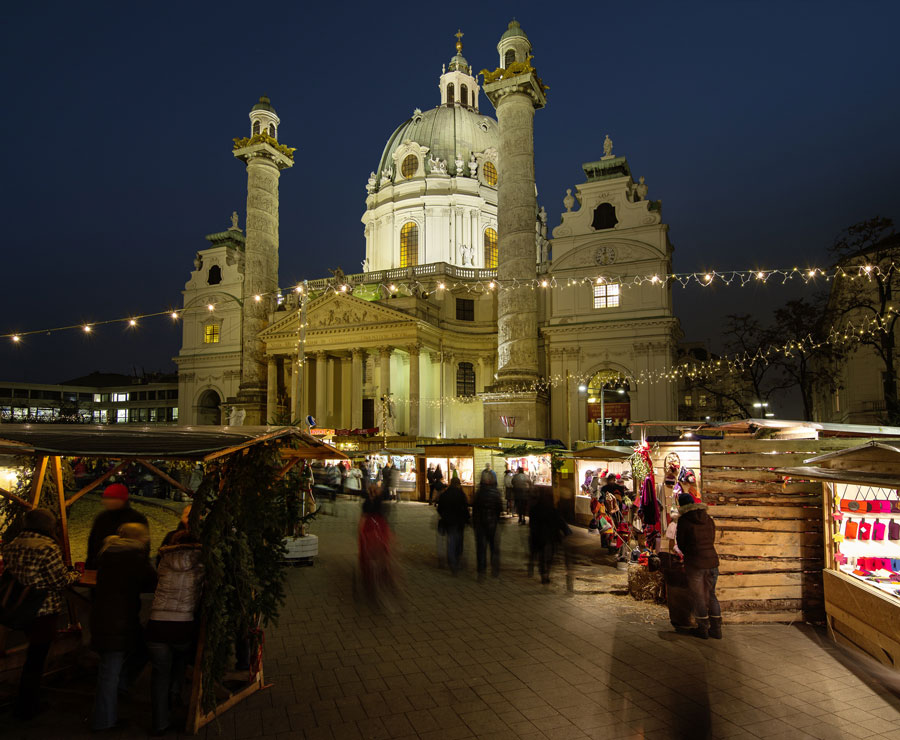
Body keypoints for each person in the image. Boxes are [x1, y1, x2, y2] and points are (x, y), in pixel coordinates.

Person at [2, 508, 80, 720]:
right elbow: (58, 581)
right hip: (42, 609)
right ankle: (27, 706)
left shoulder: (12, 545)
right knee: (36, 659)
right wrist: (75, 574)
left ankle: (24, 701)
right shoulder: (48, 547)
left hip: (19, 606)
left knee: (31, 656)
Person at [91, 522, 158, 731]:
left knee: (142, 649)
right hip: (119, 620)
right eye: (145, 537)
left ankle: (122, 684)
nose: (147, 540)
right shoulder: (135, 556)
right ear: (138, 538)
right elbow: (152, 582)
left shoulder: (107, 552)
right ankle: (103, 722)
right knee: (109, 669)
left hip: (105, 616)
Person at [146, 529, 203, 735]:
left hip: (157, 623)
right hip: (182, 623)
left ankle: (159, 723)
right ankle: (176, 692)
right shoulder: (200, 565)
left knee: (159, 673)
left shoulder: (163, 562)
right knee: (181, 657)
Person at [675, 492, 722, 640]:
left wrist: (689, 553)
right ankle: (716, 629)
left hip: (695, 563)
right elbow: (712, 538)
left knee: (699, 596)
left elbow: (681, 543)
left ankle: (703, 629)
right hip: (712, 561)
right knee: (711, 594)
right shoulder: (708, 518)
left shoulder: (684, 520)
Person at [85, 483, 149, 570]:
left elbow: (144, 547)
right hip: (103, 567)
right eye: (105, 498)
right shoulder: (101, 518)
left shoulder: (136, 518)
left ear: (121, 500)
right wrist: (90, 565)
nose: (105, 501)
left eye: (110, 498)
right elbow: (92, 544)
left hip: (128, 569)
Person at [528, 489, 571, 584]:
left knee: (542, 556)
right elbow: (560, 522)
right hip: (551, 536)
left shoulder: (534, 509)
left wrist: (533, 534)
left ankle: (543, 573)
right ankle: (546, 573)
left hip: (539, 536)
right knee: (549, 556)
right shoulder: (552, 510)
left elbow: (532, 524)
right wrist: (566, 531)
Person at [472, 466, 503, 578]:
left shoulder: (479, 493)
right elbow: (500, 509)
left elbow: (475, 509)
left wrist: (474, 523)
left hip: (480, 525)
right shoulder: (496, 493)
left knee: (481, 548)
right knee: (494, 548)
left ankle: (481, 571)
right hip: (493, 524)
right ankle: (495, 570)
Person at [436, 477, 469, 574]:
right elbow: (465, 508)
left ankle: (452, 563)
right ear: (458, 484)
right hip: (459, 522)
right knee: (459, 541)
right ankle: (457, 560)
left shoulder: (445, 494)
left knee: (451, 541)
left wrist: (444, 516)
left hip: (449, 522)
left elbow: (439, 509)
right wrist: (467, 519)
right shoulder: (461, 494)